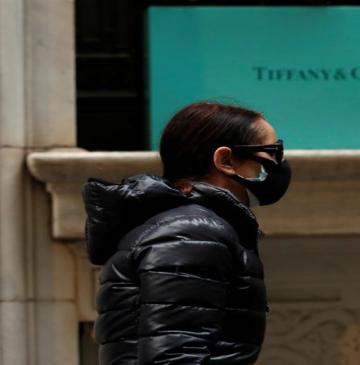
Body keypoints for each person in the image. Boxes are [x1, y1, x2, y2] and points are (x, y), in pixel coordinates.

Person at [82, 101, 291, 364]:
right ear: (225, 160)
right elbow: (174, 357)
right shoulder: (193, 232)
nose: (277, 164)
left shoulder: (186, 227)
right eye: (270, 151)